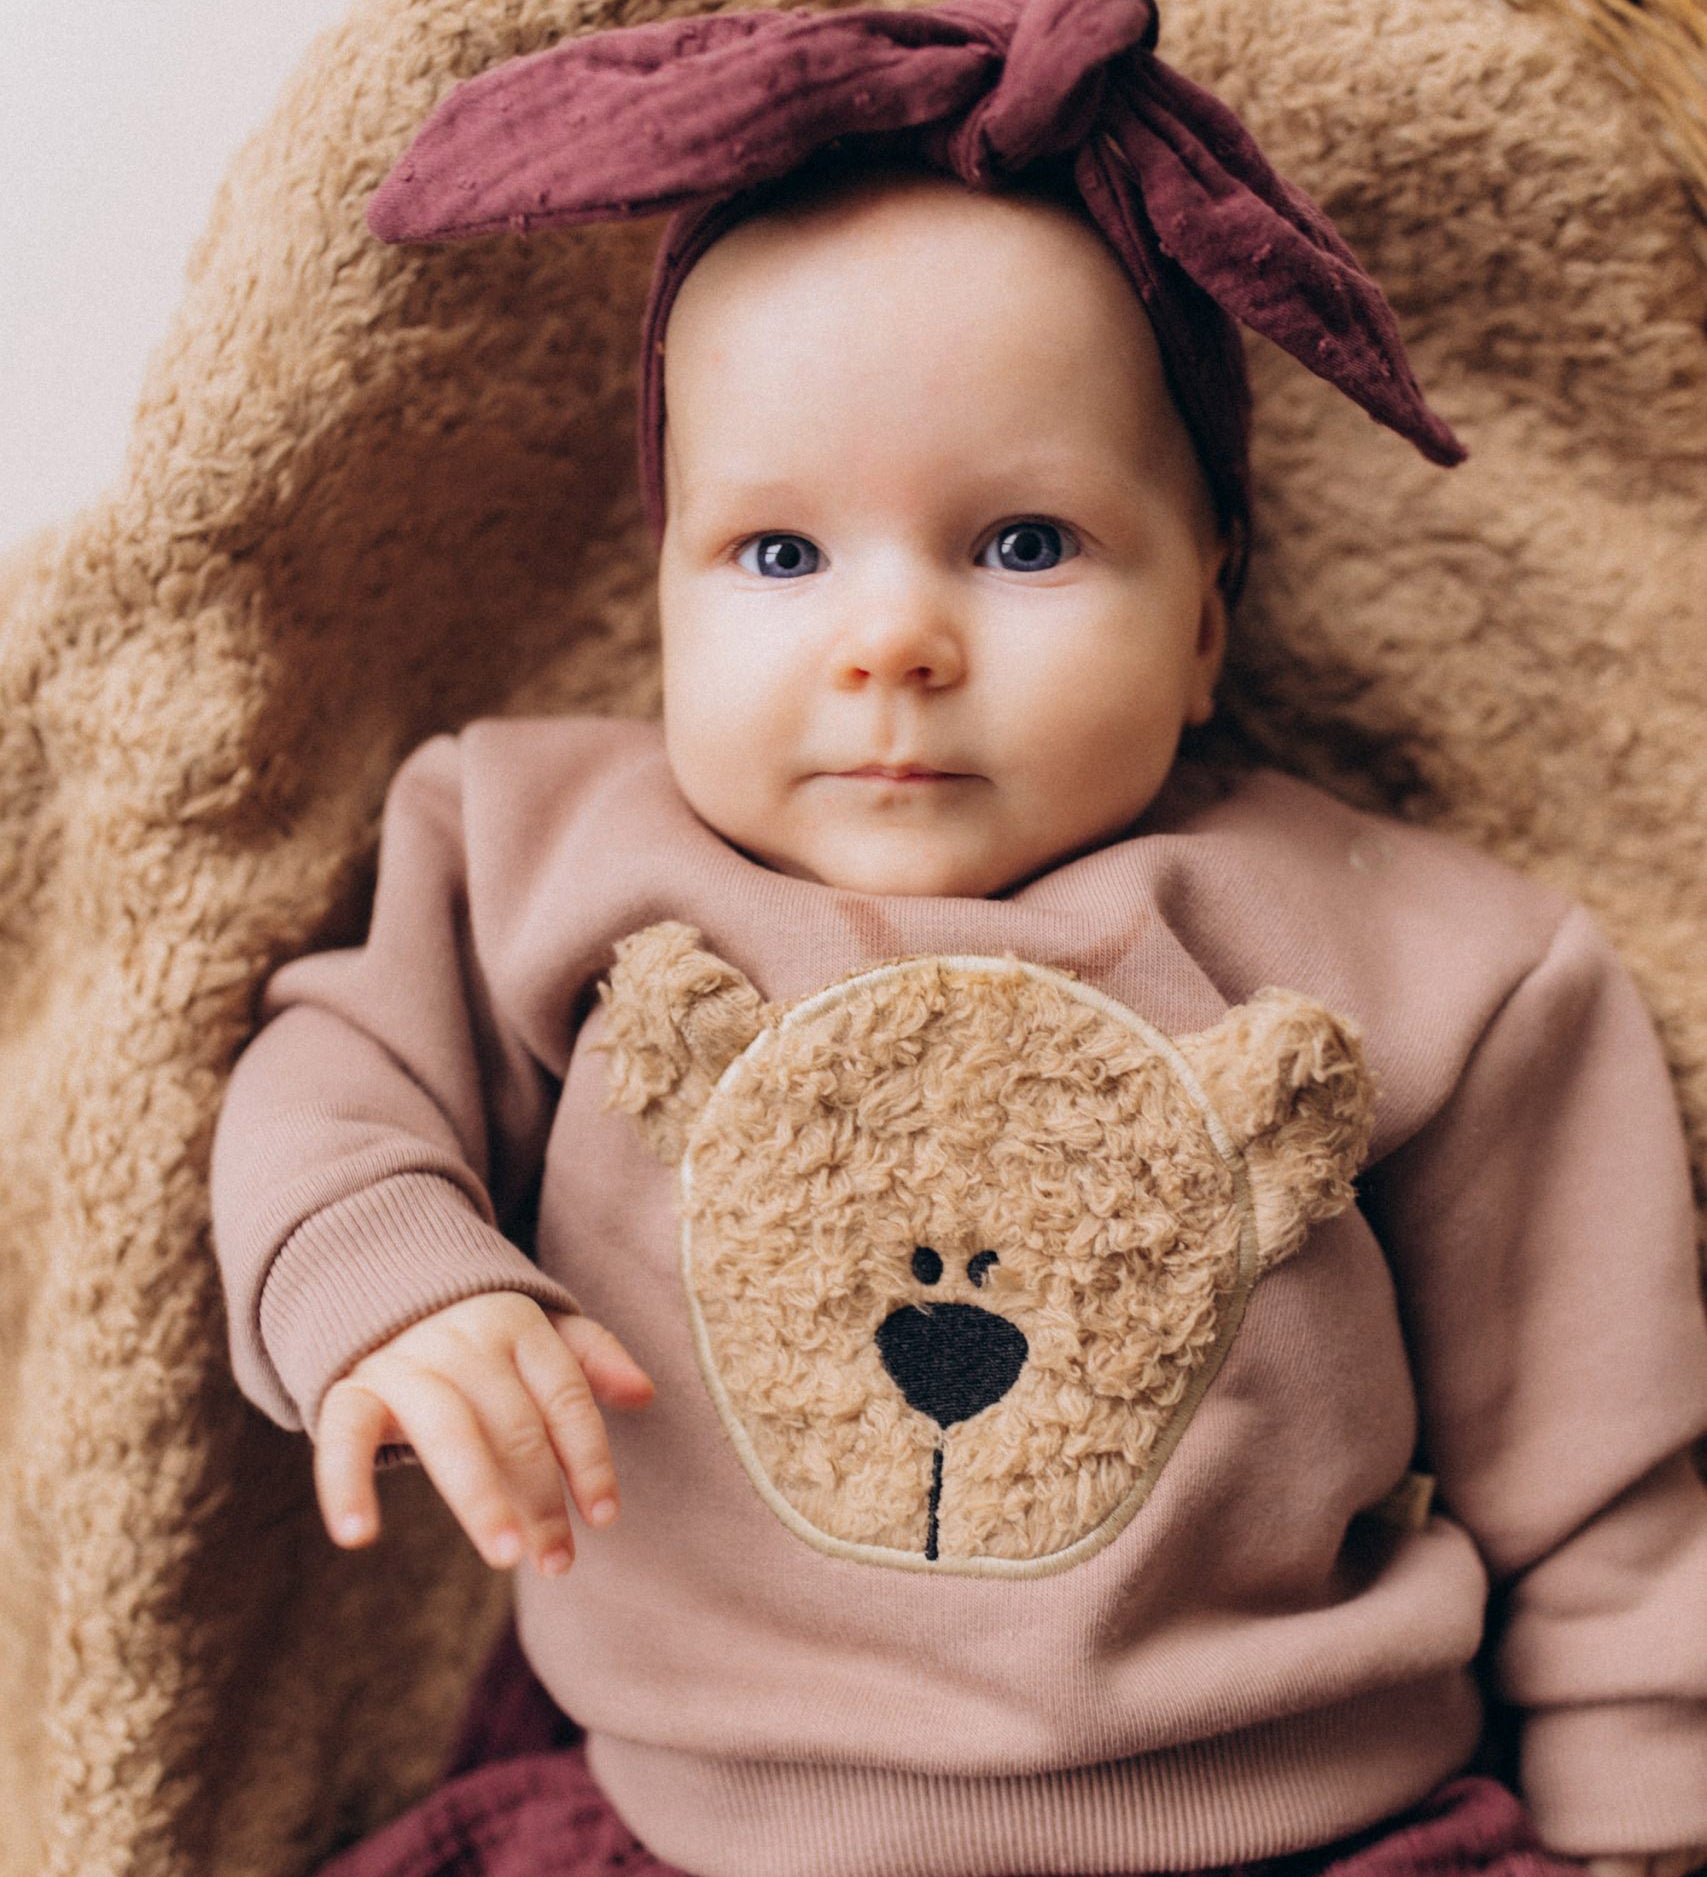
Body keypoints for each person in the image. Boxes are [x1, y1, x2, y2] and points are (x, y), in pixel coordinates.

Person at [208, 4, 1707, 1875]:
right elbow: (337, 1064)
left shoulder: (1403, 945)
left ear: (1206, 620)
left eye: (1023, 544)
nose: (892, 643)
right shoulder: (538, 846)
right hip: (685, 1819)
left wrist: (1644, 1770)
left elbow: (1587, 1414)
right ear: (666, 600)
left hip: (1306, 1818)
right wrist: (388, 1275)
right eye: (779, 555)